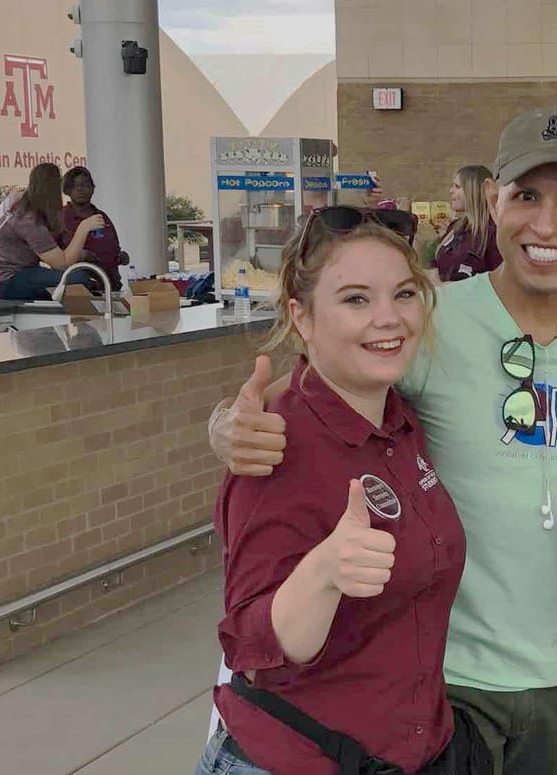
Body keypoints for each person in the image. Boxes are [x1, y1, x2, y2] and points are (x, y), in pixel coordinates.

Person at [210, 108, 557, 775]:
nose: (546, 225)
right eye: (526, 196)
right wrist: (231, 428)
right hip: (449, 679)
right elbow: (326, 383)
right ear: (494, 201)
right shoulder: (430, 319)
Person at [196, 205, 487, 775]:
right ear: (301, 317)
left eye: (404, 295)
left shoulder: (399, 421)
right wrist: (322, 574)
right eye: (356, 299)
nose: (390, 319)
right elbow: (253, 650)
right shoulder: (276, 443)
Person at [0, 163, 103, 300]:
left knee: (73, 280)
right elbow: (62, 264)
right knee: (79, 280)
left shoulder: (18, 198)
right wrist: (84, 228)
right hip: (5, 279)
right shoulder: (28, 219)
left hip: (0, 274)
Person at [59, 166, 130, 290]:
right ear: (67, 190)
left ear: (92, 189)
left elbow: (114, 248)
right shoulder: (60, 218)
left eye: (85, 185)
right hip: (78, 288)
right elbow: (51, 255)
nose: (80, 189)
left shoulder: (102, 217)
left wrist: (120, 257)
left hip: (110, 286)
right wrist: (77, 255)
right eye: (75, 186)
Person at [434, 165, 504, 282]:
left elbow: (501, 279)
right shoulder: (455, 226)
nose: (450, 191)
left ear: (473, 191)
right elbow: (435, 266)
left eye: (457, 187)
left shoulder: (493, 232)